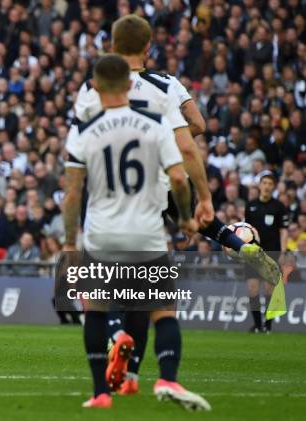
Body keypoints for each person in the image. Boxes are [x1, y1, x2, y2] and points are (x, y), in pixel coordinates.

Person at [73, 14, 281, 396]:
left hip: (109, 192)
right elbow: (195, 131)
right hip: (160, 179)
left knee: (103, 287)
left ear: (113, 47)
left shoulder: (93, 88)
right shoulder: (167, 85)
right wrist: (195, 185)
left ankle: (115, 346)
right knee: (157, 281)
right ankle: (239, 244)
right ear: (148, 47)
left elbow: (82, 144)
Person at [63, 54, 209, 410]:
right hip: (146, 231)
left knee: (95, 312)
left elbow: (72, 194)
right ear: (130, 85)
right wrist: (187, 217)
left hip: (101, 232)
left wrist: (69, 244)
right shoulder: (154, 122)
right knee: (162, 312)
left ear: (95, 87)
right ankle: (167, 378)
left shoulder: (82, 128)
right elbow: (177, 177)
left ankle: (100, 393)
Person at [245, 171, 289, 333]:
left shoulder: (279, 207)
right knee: (252, 288)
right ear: (259, 185)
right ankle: (257, 325)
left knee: (269, 290)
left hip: (272, 253)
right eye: (264, 183)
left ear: (274, 187)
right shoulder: (250, 206)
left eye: (270, 184)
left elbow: (283, 230)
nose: (267, 186)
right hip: (252, 253)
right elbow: (246, 230)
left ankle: (268, 325)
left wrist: (283, 251)